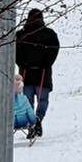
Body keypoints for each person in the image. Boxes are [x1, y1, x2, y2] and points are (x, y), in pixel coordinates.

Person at [15, 8, 60, 140]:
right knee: (43, 100)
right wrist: (46, 63)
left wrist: (22, 63)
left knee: (27, 102)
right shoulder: (49, 34)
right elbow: (54, 50)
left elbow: (16, 52)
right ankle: (38, 119)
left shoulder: (21, 35)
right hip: (42, 73)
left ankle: (32, 124)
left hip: (26, 73)